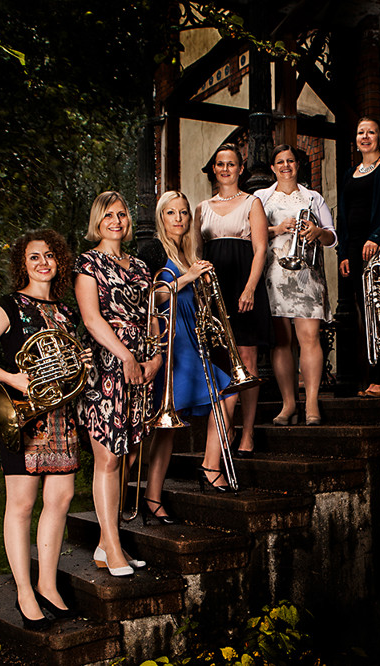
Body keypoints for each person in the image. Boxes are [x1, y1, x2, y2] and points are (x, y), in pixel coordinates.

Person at [0, 229, 88, 628]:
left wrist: (80, 359)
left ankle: (48, 586)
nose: (43, 262)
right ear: (23, 263)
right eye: (34, 257)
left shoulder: (66, 312)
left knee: (62, 498)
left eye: (50, 256)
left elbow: (67, 367)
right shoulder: (9, 306)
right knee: (21, 506)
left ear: (59, 262)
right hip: (24, 414)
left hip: (60, 415)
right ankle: (23, 591)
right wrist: (13, 378)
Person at [75, 191, 159, 577]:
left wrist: (155, 355)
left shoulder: (141, 266)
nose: (117, 220)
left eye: (122, 214)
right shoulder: (87, 263)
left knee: (125, 455)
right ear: (98, 220)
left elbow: (151, 317)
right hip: (107, 368)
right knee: (107, 458)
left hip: (141, 370)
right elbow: (92, 320)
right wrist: (126, 356)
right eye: (109, 215)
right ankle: (113, 546)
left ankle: (104, 545)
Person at [144, 191, 242, 516]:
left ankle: (210, 466)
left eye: (183, 213)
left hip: (193, 343)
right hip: (173, 347)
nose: (179, 219)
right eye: (171, 213)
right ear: (162, 217)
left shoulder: (189, 254)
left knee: (226, 394)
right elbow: (152, 299)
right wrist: (189, 278)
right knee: (167, 431)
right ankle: (153, 498)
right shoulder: (154, 250)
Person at [193, 143, 271, 457]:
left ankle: (247, 431)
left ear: (241, 169)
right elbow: (196, 253)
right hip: (215, 289)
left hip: (244, 284)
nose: (226, 169)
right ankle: (224, 426)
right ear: (214, 169)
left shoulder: (252, 203)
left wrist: (251, 288)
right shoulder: (202, 207)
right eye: (220, 164)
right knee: (221, 361)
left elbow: (261, 249)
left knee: (247, 362)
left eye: (232, 164)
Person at [255, 145, 337, 425]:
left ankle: (312, 402)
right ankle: (288, 404)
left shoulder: (313, 197)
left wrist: (318, 232)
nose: (285, 165)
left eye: (290, 161)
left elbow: (332, 237)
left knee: (309, 337)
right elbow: (248, 230)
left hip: (307, 275)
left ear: (297, 164)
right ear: (272, 167)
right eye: (280, 161)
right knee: (282, 342)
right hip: (275, 274)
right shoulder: (261, 197)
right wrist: (277, 229)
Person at [336, 117, 380, 398]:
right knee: (363, 312)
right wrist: (343, 253)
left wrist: (375, 237)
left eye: (371, 132)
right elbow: (343, 217)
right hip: (354, 249)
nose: (365, 137)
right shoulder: (349, 173)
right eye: (360, 132)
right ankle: (368, 376)